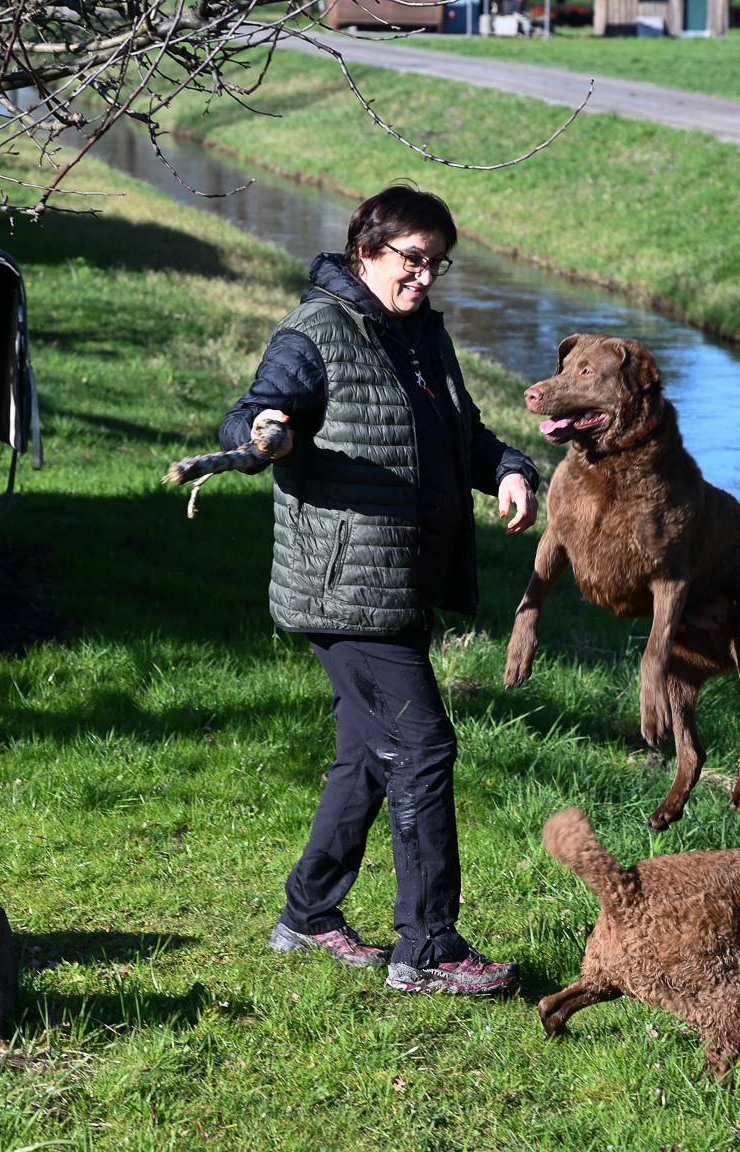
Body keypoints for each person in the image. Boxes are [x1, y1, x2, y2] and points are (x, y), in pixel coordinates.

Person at [218, 184, 541, 996]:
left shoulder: (422, 335)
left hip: (400, 583)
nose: (425, 276)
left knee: (368, 756)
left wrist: (508, 469)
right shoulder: (315, 332)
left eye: (438, 264)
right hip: (345, 591)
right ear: (365, 250)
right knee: (423, 749)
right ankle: (428, 947)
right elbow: (255, 415)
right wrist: (264, 435)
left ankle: (308, 914)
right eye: (413, 259)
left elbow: (463, 434)